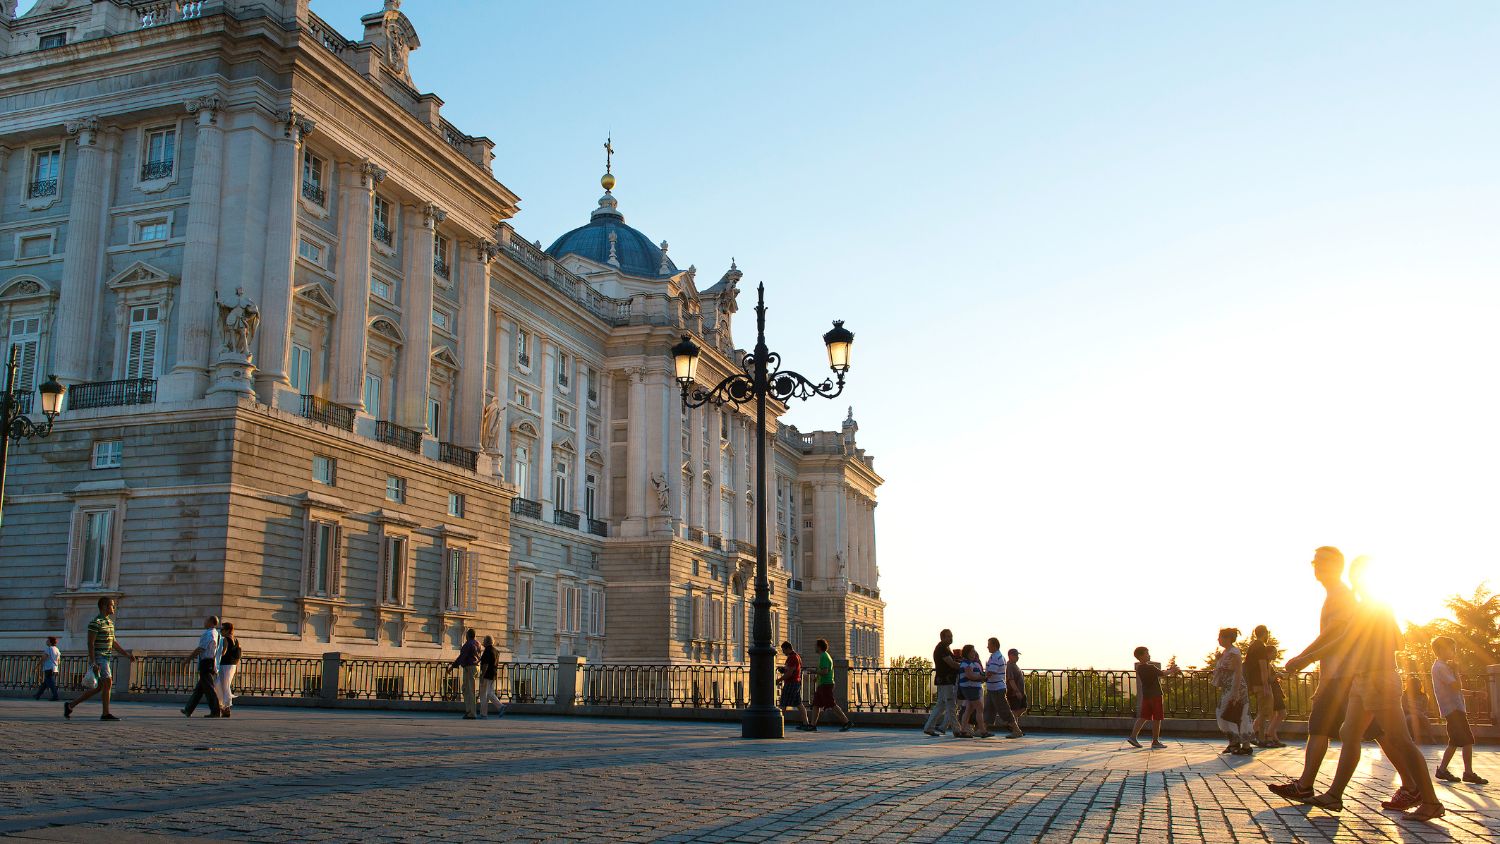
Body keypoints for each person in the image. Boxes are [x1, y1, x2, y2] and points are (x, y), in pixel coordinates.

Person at [1299, 557, 1443, 821]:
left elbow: (1347, 640)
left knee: (1401, 740)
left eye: (1357, 575)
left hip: (1378, 679)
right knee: (1349, 732)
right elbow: (1396, 640)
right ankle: (1334, 795)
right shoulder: (1371, 607)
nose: (1354, 580)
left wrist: (1305, 658)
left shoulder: (1373, 608)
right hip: (1364, 680)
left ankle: (1431, 801)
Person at [65, 596, 134, 720]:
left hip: (106, 658)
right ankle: (105, 713)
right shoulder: (95, 623)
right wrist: (93, 662)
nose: (114, 607)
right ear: (104, 606)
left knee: (100, 687)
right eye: (111, 605)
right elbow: (90, 643)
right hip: (99, 658)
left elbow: (113, 643)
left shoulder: (110, 623)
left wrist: (126, 655)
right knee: (108, 682)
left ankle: (70, 705)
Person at [1431, 636, 1488, 785]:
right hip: (1453, 709)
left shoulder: (1442, 666)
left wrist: (1474, 693)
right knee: (1465, 740)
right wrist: (1456, 670)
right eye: (1452, 648)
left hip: (1455, 708)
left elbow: (1457, 690)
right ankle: (1466, 772)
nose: (1454, 652)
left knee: (1456, 741)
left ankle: (1445, 770)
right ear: (1442, 649)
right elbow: (1456, 686)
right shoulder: (1441, 667)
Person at [1127, 646, 1180, 749]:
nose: (1149, 655)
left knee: (1143, 717)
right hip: (1156, 695)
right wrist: (1173, 670)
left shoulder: (1140, 668)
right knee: (1157, 718)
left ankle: (1133, 737)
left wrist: (1169, 670)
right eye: (1147, 653)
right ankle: (1155, 741)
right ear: (1141, 656)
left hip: (1146, 695)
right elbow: (1163, 673)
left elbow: (1159, 673)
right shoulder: (1150, 667)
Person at [1212, 628, 1253, 755]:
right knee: (1226, 714)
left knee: (1238, 714)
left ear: (1227, 638)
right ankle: (1234, 742)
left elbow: (1238, 671)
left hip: (1235, 687)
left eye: (1220, 637)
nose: (1218, 639)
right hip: (1227, 688)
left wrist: (1235, 692)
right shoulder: (1225, 652)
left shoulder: (1234, 652)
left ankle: (1245, 745)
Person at [1245, 625, 1286, 747]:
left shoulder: (1252, 647)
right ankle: (1262, 739)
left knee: (1262, 711)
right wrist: (1266, 686)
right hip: (1261, 685)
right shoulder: (1261, 648)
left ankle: (1261, 737)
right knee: (1264, 713)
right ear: (1265, 633)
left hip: (1254, 684)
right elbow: (1263, 668)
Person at [807, 639, 852, 732]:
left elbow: (825, 671)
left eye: (815, 646)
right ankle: (812, 725)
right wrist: (817, 677)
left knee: (832, 704)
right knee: (816, 704)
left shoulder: (824, 656)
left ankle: (847, 722)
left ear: (819, 647)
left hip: (826, 684)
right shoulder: (824, 656)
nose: (814, 647)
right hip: (822, 684)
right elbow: (824, 671)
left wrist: (814, 671)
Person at [182, 615, 223, 718]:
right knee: (200, 689)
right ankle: (188, 709)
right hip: (211, 662)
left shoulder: (208, 633)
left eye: (206, 620)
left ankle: (215, 711)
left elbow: (200, 648)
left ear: (211, 622)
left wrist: (187, 660)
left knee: (209, 689)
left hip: (206, 663)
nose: (204, 622)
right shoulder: (217, 634)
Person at [922, 629, 960, 737]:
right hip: (945, 680)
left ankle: (929, 727)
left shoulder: (945, 648)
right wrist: (965, 666)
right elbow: (951, 664)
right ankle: (956, 730)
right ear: (942, 638)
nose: (951, 638)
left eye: (951, 636)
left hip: (944, 680)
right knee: (951, 704)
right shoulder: (942, 649)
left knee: (941, 705)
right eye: (948, 636)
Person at [984, 638, 1022, 738]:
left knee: (1004, 710)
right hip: (992, 688)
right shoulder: (993, 656)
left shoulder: (997, 657)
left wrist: (980, 677)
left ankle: (1016, 730)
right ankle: (982, 730)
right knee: (988, 710)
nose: (987, 647)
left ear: (994, 645)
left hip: (997, 688)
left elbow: (991, 672)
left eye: (989, 645)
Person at [445, 628, 481, 719]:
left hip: (469, 667)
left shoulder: (468, 644)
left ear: (467, 636)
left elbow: (462, 657)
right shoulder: (478, 643)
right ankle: (469, 710)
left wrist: (452, 667)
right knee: (466, 689)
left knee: (469, 691)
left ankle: (471, 713)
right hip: (476, 667)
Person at [954, 644, 988, 738]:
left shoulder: (970, 663)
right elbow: (970, 675)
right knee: (979, 708)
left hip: (972, 688)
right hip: (970, 688)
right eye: (972, 651)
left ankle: (963, 730)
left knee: (969, 709)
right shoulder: (966, 663)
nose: (974, 653)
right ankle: (982, 731)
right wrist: (982, 677)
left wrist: (981, 677)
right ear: (967, 653)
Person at [778, 641, 812, 731]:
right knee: (799, 704)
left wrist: (779, 680)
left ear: (788, 648)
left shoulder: (792, 658)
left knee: (783, 703)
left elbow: (790, 673)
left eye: (783, 650)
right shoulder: (796, 656)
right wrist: (783, 669)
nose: (783, 652)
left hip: (791, 683)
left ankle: (778, 723)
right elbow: (790, 670)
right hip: (796, 682)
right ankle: (806, 723)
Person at [215, 622, 241, 717]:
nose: (220, 631)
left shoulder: (225, 639)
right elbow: (239, 654)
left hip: (225, 665)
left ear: (227, 630)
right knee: (224, 685)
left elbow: (224, 651)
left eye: (222, 630)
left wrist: (216, 657)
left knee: (221, 685)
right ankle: (224, 707)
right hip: (232, 665)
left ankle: (226, 707)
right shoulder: (236, 640)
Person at [477, 635, 506, 719]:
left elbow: (485, 664)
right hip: (493, 674)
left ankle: (483, 714)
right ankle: (500, 706)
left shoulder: (487, 651)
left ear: (487, 642)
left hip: (486, 675)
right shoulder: (496, 651)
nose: (483, 642)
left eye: (484, 640)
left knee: (483, 695)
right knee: (490, 693)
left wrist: (482, 675)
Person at [1402, 670, 1431, 745]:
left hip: (1421, 714)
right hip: (1408, 714)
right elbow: (1404, 708)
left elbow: (1425, 708)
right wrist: (1415, 712)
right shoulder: (1404, 695)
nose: (1418, 686)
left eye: (1418, 684)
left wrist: (1421, 713)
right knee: (1411, 718)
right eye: (1415, 685)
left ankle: (1431, 737)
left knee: (1425, 719)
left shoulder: (1424, 696)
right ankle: (1413, 738)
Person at [1005, 648, 1028, 736]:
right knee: (1015, 710)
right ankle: (1014, 727)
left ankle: (1013, 726)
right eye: (1016, 655)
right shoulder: (1010, 665)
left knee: (1023, 708)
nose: (1017, 657)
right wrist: (1017, 691)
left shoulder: (1014, 665)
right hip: (1014, 693)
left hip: (1020, 692)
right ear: (1011, 656)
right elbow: (1011, 680)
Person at [34, 636, 61, 701]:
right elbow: (59, 660)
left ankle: (55, 696)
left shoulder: (48, 649)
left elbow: (44, 658)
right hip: (54, 668)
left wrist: (37, 666)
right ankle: (38, 695)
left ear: (50, 642)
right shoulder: (57, 649)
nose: (46, 641)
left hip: (49, 668)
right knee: (45, 683)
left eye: (48, 640)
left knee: (51, 684)